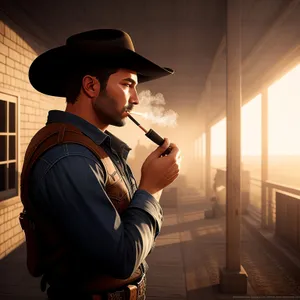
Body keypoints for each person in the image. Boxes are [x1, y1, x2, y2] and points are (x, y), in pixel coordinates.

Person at [21, 29, 181, 300]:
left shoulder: (91, 148)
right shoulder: (70, 157)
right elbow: (121, 259)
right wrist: (152, 189)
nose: (136, 99)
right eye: (128, 84)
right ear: (91, 86)